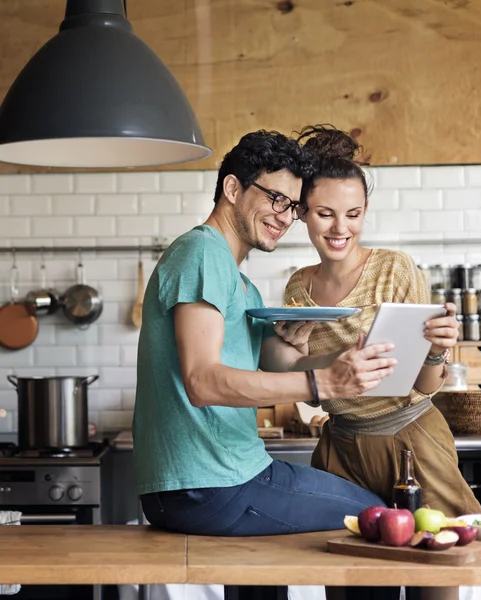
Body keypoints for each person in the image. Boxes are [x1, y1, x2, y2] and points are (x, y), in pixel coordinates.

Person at [132, 129, 398, 537]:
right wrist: (322, 382)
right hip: (214, 483)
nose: (285, 216)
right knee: (378, 515)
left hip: (211, 482)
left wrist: (342, 357)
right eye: (275, 198)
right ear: (233, 188)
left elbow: (279, 362)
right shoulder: (202, 254)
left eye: (293, 206)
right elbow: (202, 382)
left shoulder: (241, 282)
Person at [278, 126, 481, 600]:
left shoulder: (395, 269)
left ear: (365, 212)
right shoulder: (298, 288)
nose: (339, 228)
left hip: (412, 443)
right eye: (324, 213)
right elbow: (296, 370)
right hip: (341, 450)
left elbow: (427, 383)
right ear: (302, 214)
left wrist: (437, 349)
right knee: (351, 585)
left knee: (435, 577)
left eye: (352, 214)